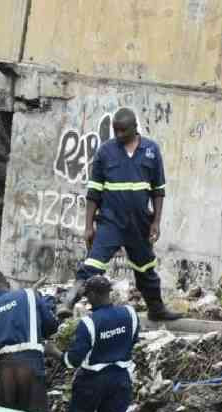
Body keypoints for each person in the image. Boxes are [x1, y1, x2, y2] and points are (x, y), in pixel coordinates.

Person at [57, 108, 181, 322]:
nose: (118, 134)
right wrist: (88, 226)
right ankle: (68, 302)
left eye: (123, 130)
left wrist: (156, 222)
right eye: (115, 130)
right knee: (92, 265)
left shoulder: (151, 150)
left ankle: (156, 309)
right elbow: (94, 192)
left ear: (135, 128)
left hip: (139, 224)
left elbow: (158, 190)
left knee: (145, 269)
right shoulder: (105, 151)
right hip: (110, 222)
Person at [46, 276, 139, 412]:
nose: (87, 299)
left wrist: (53, 351)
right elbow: (133, 340)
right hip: (121, 379)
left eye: (87, 295)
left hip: (92, 382)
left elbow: (71, 361)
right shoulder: (130, 314)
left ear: (94, 295)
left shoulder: (89, 323)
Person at [0, 270, 58, 412]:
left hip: (2, 373)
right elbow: (51, 326)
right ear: (8, 285)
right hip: (31, 367)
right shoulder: (28, 295)